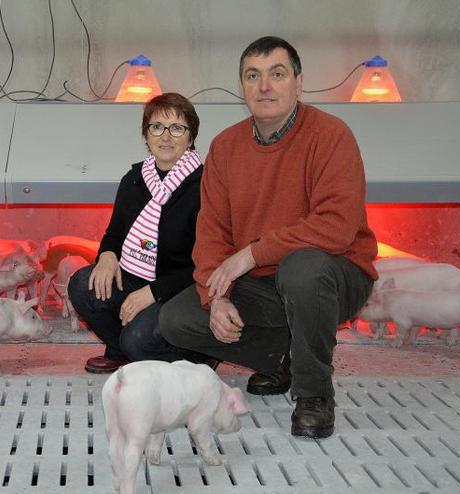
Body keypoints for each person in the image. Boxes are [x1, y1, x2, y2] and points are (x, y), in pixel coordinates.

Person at [159, 36, 378, 439]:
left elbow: (336, 225)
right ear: (242, 86)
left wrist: (251, 254)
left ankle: (313, 393)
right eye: (253, 76)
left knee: (303, 267)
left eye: (277, 75)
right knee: (176, 320)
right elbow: (211, 232)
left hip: (333, 272)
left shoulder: (331, 136)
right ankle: (286, 355)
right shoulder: (225, 147)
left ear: (298, 82)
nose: (264, 87)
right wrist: (217, 296)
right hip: (263, 282)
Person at [69, 92, 212, 374]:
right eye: (157, 127)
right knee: (81, 285)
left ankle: (199, 356)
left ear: (191, 135)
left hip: (182, 290)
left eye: (177, 128)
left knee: (139, 340)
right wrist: (108, 257)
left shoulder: (206, 187)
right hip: (136, 278)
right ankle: (125, 350)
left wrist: (153, 292)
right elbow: (114, 234)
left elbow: (206, 264)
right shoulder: (134, 179)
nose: (166, 136)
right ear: (146, 135)